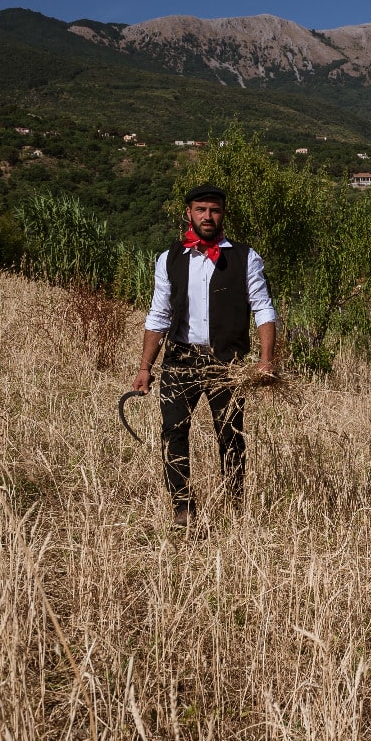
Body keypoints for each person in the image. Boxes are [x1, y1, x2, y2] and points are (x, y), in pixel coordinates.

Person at [131, 184, 276, 526]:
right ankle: (183, 508)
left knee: (230, 434)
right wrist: (144, 368)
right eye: (201, 210)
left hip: (227, 363)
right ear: (189, 213)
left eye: (214, 210)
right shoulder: (168, 259)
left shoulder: (245, 257)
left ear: (223, 214)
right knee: (173, 431)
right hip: (179, 360)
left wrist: (266, 359)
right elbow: (159, 316)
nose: (207, 216)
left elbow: (264, 309)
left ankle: (235, 505)